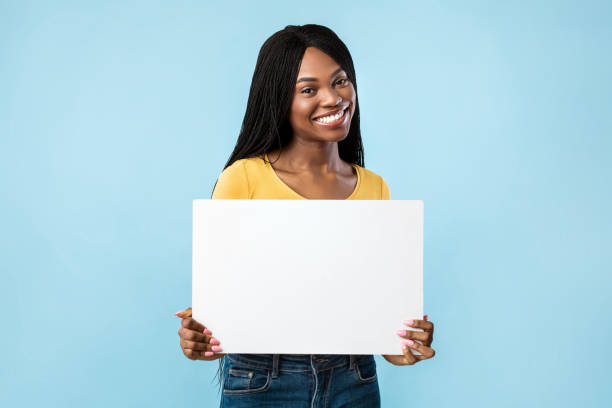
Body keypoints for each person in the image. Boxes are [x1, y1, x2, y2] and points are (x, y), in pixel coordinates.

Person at [175, 24, 436, 407]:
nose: (333, 99)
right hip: (262, 380)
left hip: (354, 378)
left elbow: (375, 320)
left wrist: (405, 344)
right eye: (309, 89)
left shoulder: (376, 188)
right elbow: (220, 317)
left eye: (341, 81)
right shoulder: (242, 179)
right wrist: (200, 337)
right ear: (279, 99)